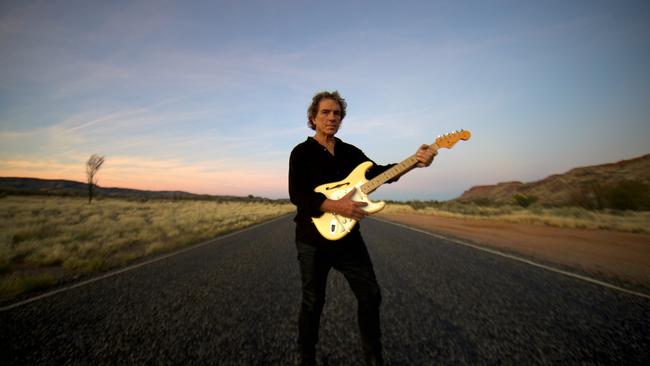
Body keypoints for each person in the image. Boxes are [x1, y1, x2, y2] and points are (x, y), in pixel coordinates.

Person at [288, 91, 436, 366]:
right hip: (312, 238)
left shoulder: (350, 152)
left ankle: (373, 356)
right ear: (313, 118)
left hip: (348, 239)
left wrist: (415, 161)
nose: (332, 117)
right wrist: (336, 206)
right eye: (326, 112)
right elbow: (298, 194)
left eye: (337, 113)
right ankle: (305, 356)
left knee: (370, 295)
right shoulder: (301, 152)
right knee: (313, 301)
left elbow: (380, 174)